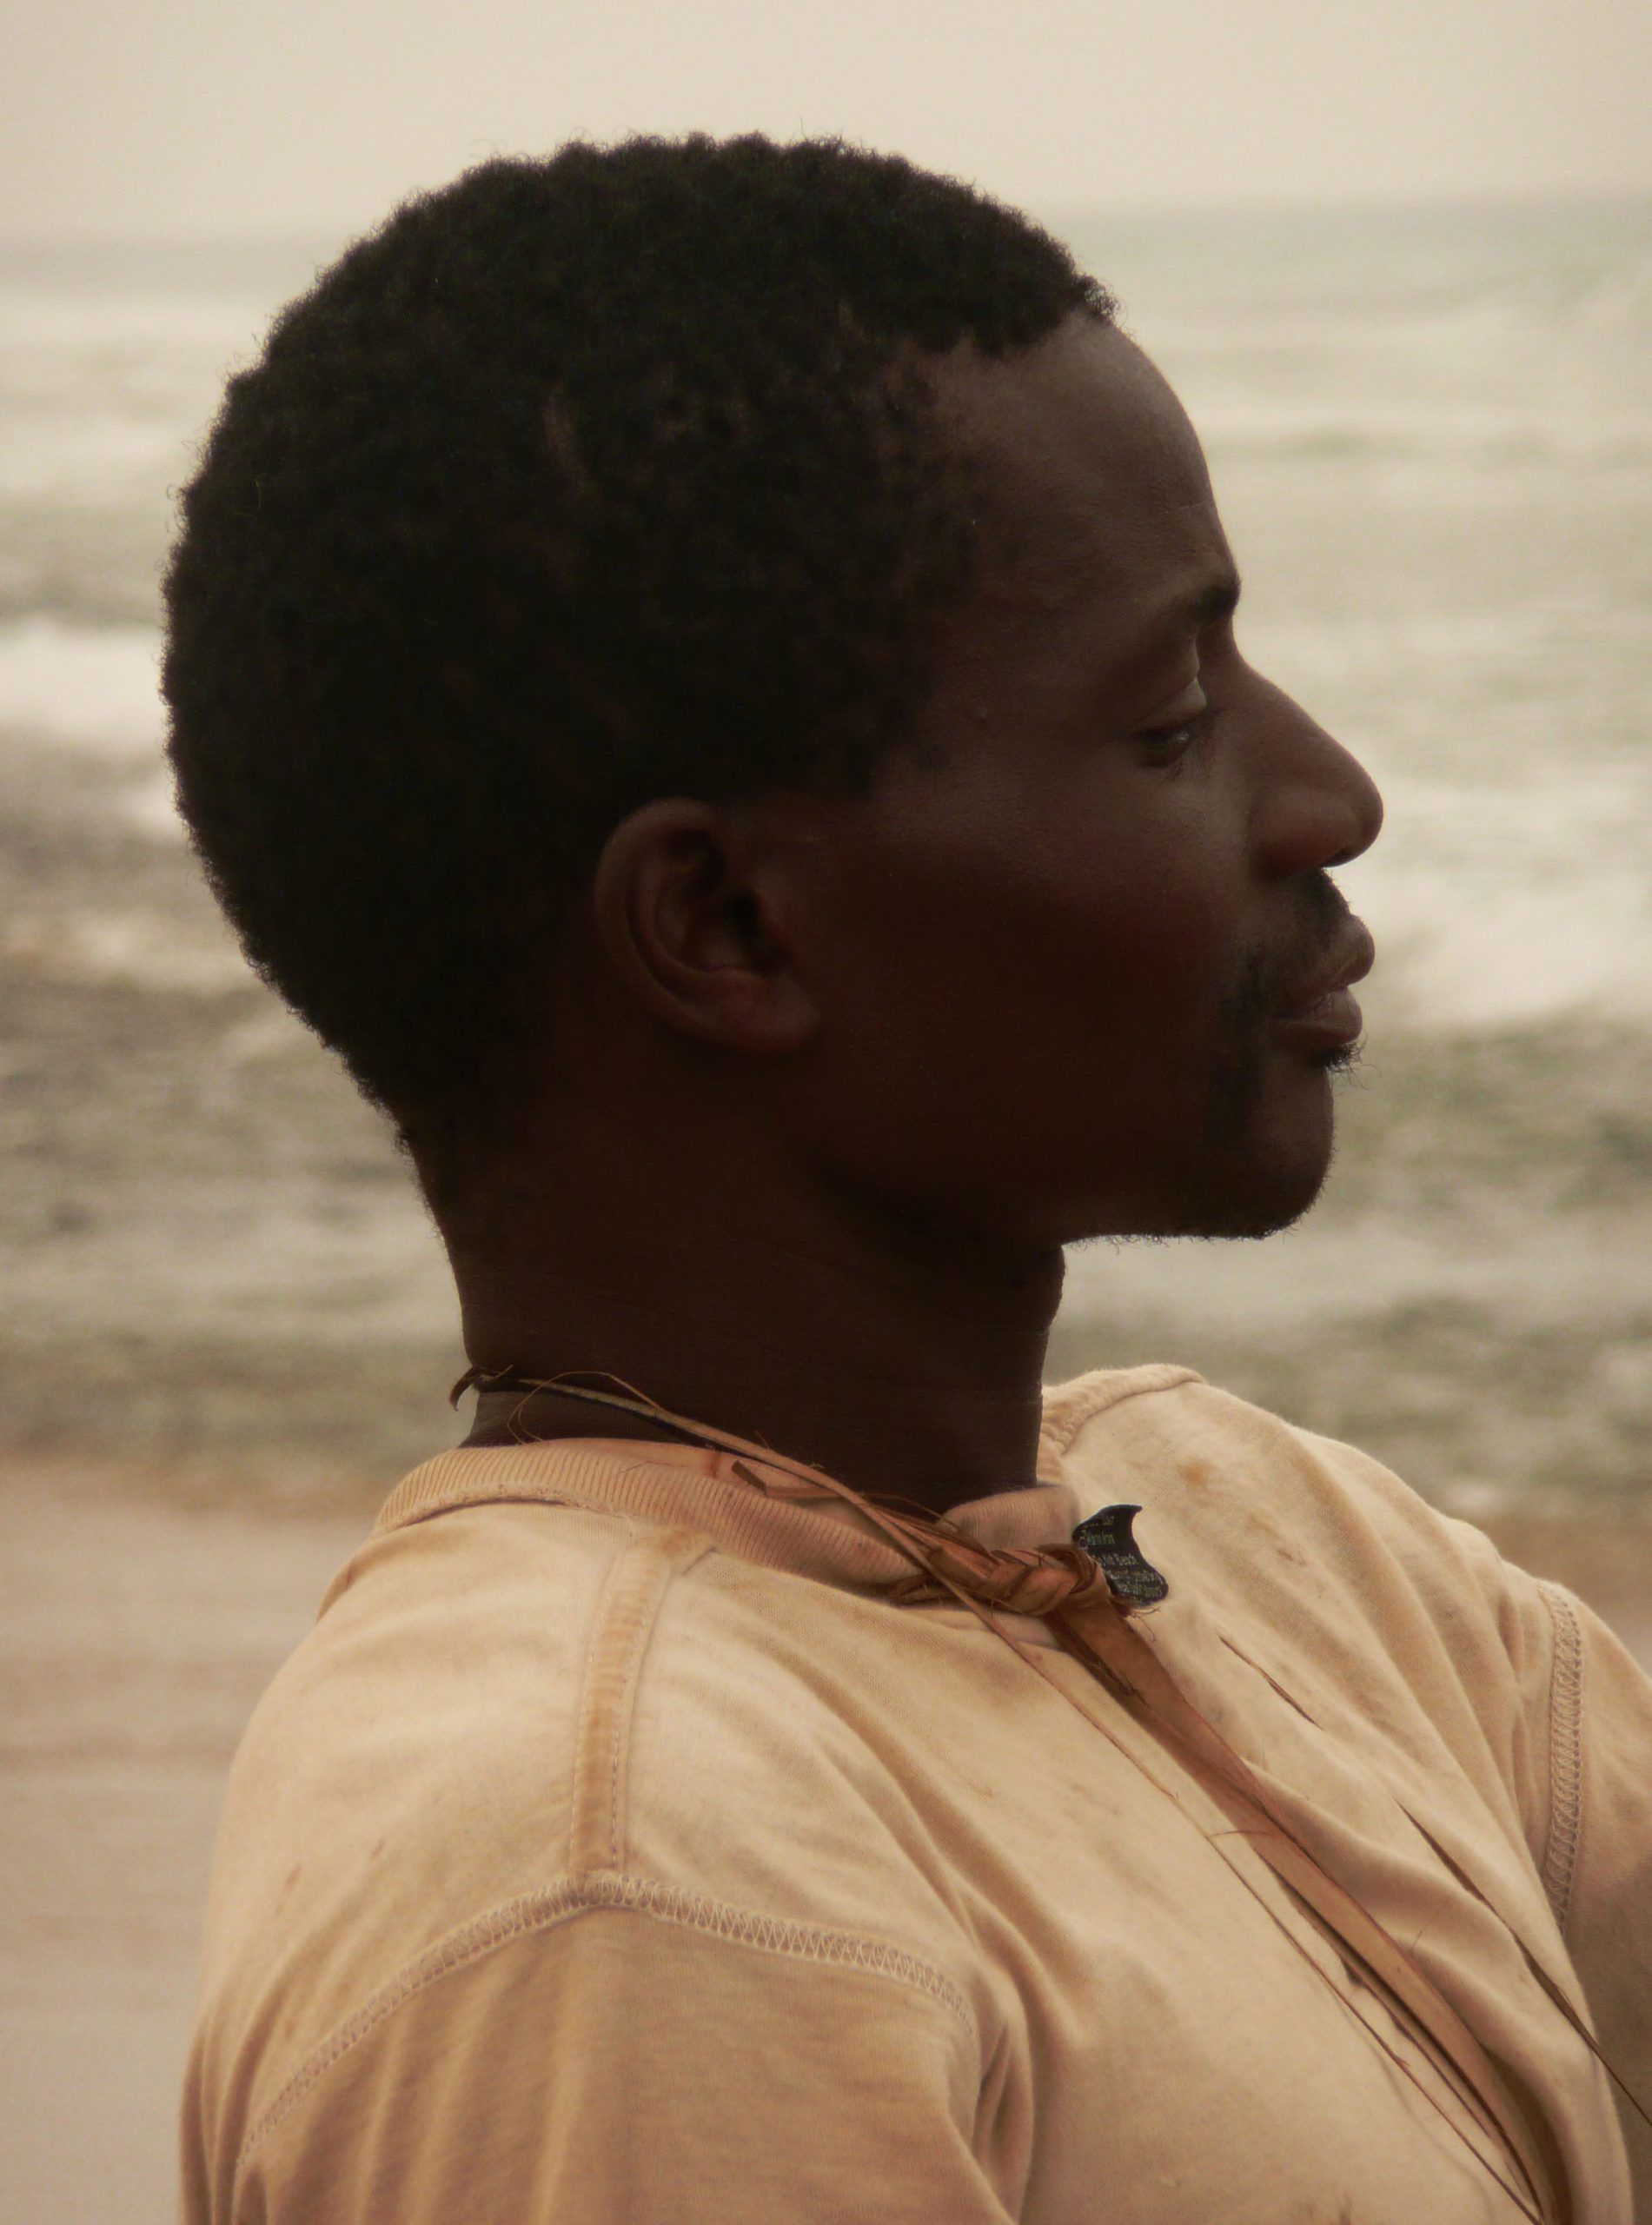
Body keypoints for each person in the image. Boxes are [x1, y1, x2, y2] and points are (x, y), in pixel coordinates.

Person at [163, 135, 1651, 2223]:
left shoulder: (1259, 1532)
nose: (1330, 794)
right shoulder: (620, 1879)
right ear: (733, 929)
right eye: (1170, 718)